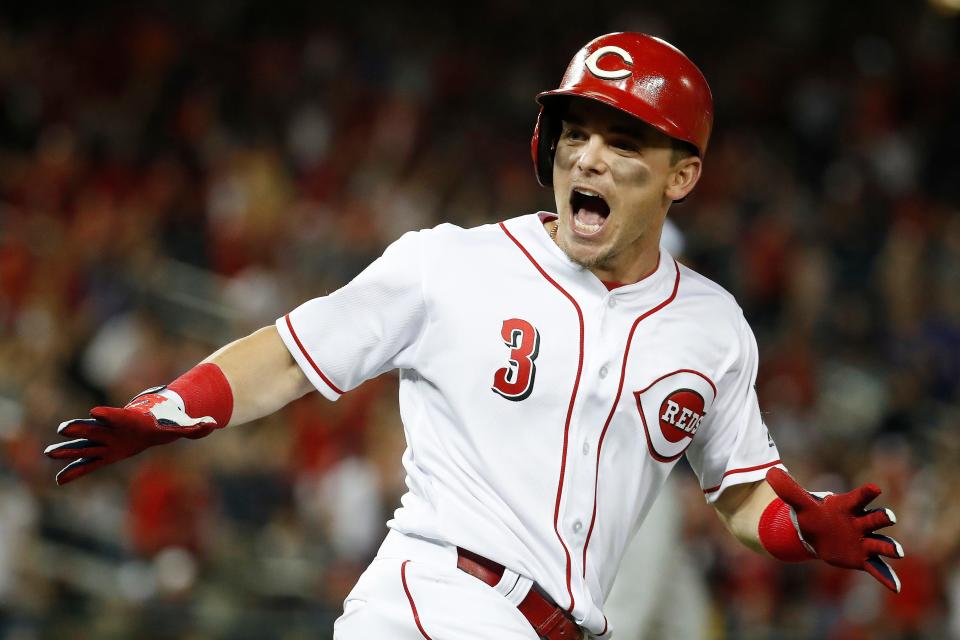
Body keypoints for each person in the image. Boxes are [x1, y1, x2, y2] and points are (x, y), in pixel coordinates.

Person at [46, 33, 903, 639]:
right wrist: (166, 409)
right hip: (438, 600)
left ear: (684, 176)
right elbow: (289, 353)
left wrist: (803, 533)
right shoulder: (449, 266)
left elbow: (741, 492)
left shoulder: (713, 326)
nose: (588, 159)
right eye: (577, 133)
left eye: (624, 141)